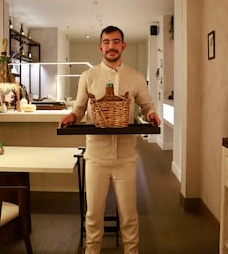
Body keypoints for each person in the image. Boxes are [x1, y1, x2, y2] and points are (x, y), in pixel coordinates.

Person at [59, 25, 160, 254]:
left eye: (116, 42)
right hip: (95, 156)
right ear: (100, 46)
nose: (111, 46)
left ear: (123, 45)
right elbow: (79, 108)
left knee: (129, 214)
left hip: (126, 157)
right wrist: (72, 116)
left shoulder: (135, 77)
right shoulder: (88, 76)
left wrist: (152, 115)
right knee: (93, 214)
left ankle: (131, 251)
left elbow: (146, 106)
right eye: (107, 42)